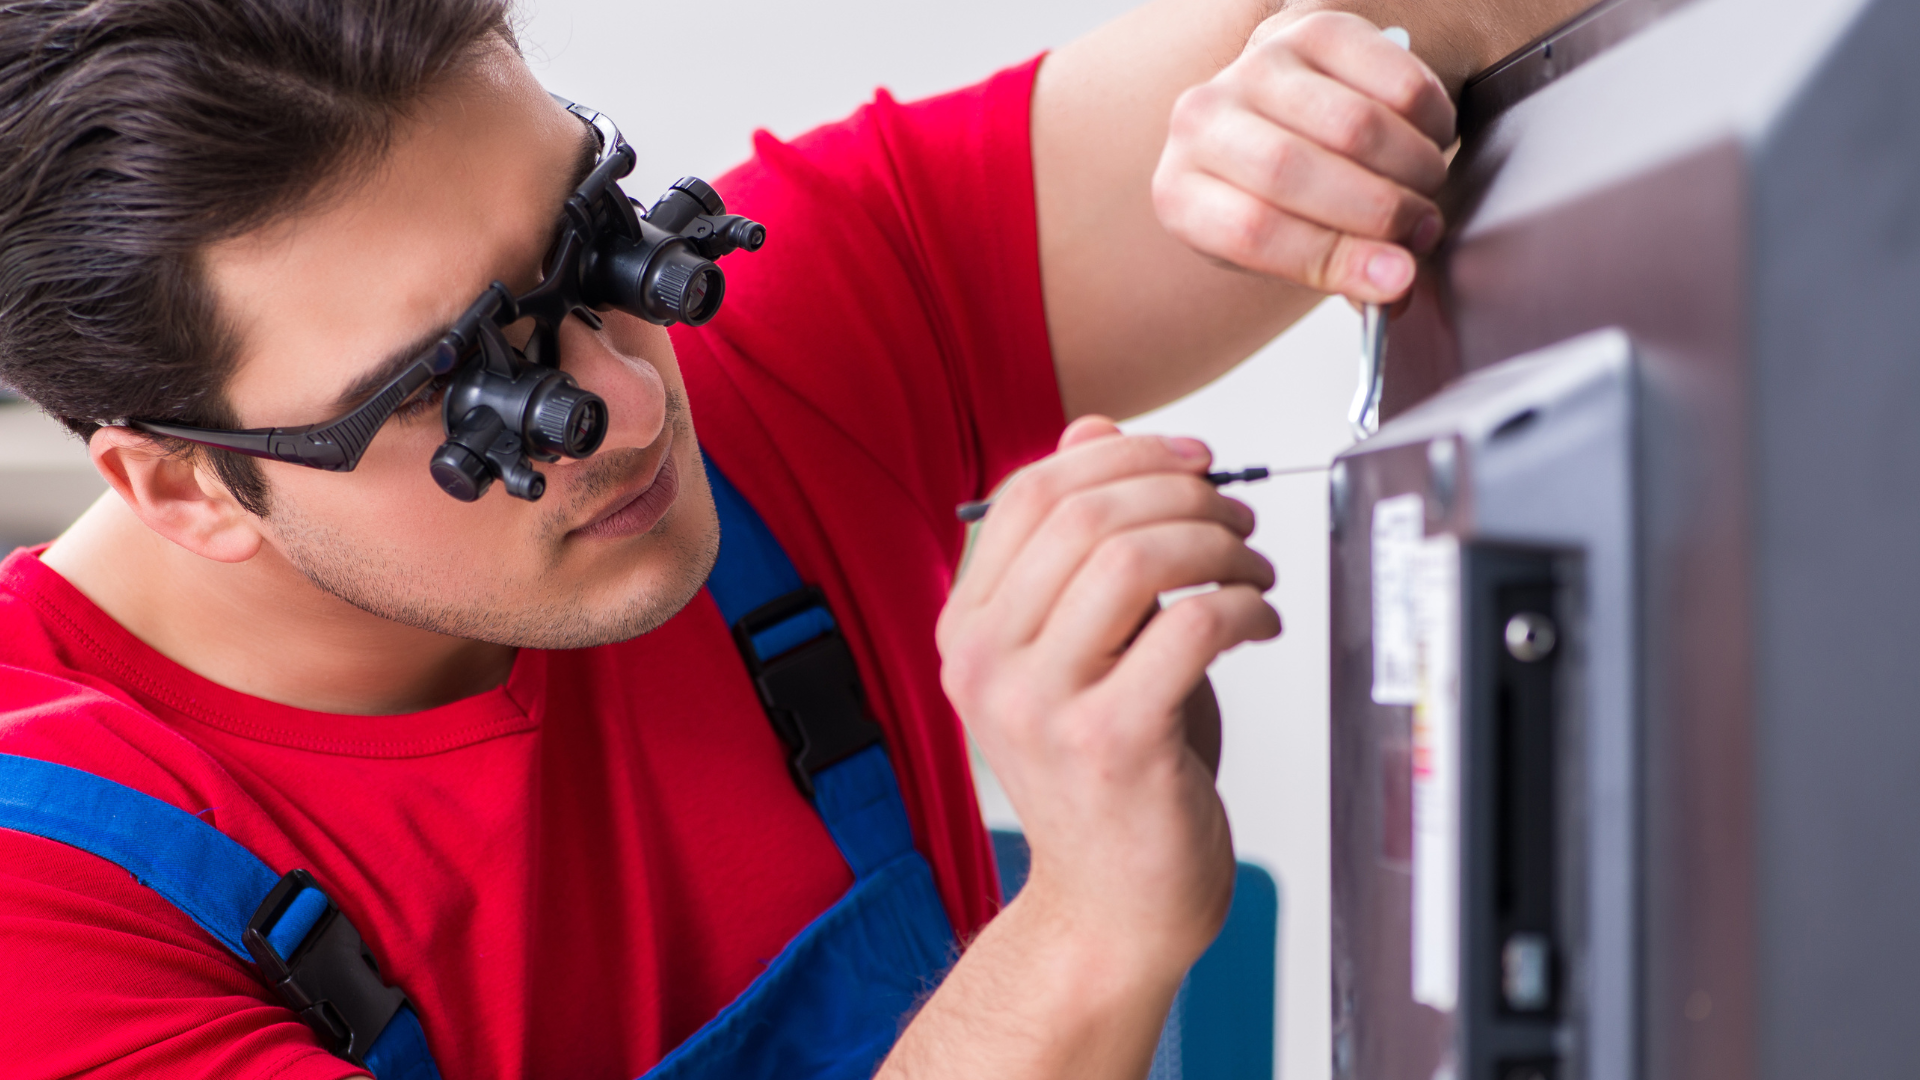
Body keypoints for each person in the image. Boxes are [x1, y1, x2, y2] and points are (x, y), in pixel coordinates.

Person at [0, 0, 1585, 1077]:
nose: (624, 401)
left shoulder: (777, 353)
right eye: (464, 394)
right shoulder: (44, 912)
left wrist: (1313, 96)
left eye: (595, 245)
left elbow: (1424, 21)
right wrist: (1089, 928)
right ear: (187, 485)